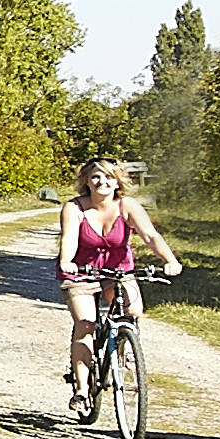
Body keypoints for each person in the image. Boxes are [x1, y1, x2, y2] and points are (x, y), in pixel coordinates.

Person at [56, 159, 177, 405]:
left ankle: (120, 352)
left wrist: (170, 260)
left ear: (117, 181)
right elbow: (69, 238)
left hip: (117, 271)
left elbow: (150, 236)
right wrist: (67, 261)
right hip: (81, 272)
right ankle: (81, 388)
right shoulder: (75, 208)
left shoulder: (127, 206)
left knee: (132, 311)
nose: (103, 182)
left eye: (108, 177)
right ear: (87, 182)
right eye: (96, 178)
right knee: (86, 324)